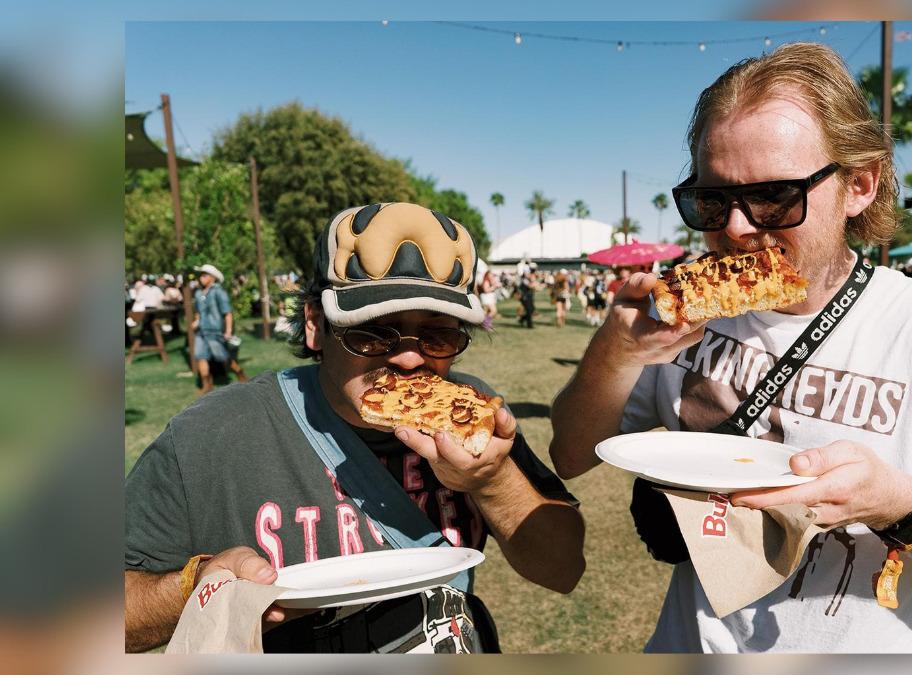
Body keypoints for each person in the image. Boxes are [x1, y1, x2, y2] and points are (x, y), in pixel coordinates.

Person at [549, 42, 912, 653]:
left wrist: (899, 503)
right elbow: (571, 453)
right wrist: (614, 351)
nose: (735, 228)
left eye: (774, 197)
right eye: (711, 200)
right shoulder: (671, 324)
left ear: (860, 186)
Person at [125, 202, 585, 653]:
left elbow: (563, 570)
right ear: (314, 325)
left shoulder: (474, 416)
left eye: (439, 334)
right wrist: (194, 588)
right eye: (373, 331)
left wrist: (493, 481)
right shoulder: (211, 436)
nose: (410, 358)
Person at [190, 263, 249, 394]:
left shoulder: (219, 292)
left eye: (204, 275)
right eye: (201, 275)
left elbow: (227, 313)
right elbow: (198, 312)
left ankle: (240, 373)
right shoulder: (198, 293)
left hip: (215, 331)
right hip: (201, 331)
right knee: (200, 356)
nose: (201, 277)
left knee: (222, 357)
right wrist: (196, 321)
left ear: (213, 277)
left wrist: (228, 331)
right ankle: (206, 384)